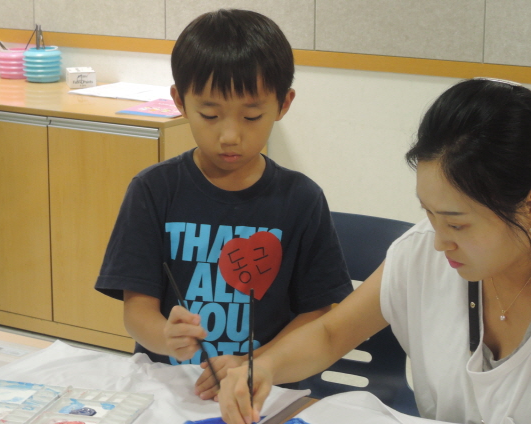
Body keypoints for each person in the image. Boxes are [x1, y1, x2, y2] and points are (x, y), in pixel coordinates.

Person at [219, 78, 531, 424]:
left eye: (458, 224)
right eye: (428, 213)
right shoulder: (424, 250)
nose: (439, 241)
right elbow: (331, 334)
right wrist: (264, 366)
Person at [95, 9, 352, 400]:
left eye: (252, 116)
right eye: (210, 114)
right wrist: (165, 336)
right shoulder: (153, 190)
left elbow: (317, 313)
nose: (230, 135)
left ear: (283, 104)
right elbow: (137, 310)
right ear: (180, 101)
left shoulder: (301, 199)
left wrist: (255, 364)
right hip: (170, 390)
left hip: (264, 391)